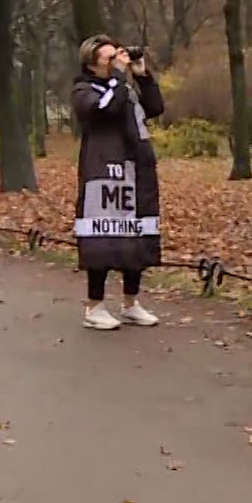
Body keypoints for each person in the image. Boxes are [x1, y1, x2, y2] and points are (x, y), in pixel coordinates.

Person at [71, 36, 164, 330]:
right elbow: (105, 109)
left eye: (117, 56)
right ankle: (94, 306)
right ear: (91, 63)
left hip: (136, 166)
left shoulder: (124, 86)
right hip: (103, 169)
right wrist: (118, 77)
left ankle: (130, 302)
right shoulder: (84, 89)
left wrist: (141, 75)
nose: (116, 62)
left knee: (135, 231)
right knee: (102, 236)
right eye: (108, 58)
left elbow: (155, 107)